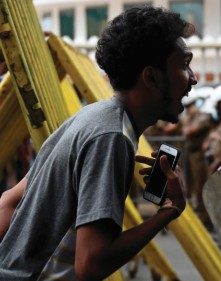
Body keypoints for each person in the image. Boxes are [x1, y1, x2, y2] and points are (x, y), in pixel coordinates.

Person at [0, 7, 197, 280]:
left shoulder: (90, 117)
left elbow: (9, 201)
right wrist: (168, 211)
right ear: (151, 77)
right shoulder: (111, 138)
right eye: (184, 65)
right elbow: (90, 265)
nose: (193, 78)